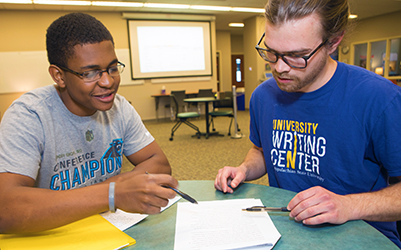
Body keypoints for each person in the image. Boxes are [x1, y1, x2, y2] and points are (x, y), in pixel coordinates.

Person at [214, 0, 401, 247]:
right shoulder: (263, 96)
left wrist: (349, 205)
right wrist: (244, 170)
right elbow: (262, 150)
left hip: (361, 237)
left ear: (333, 42)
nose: (279, 68)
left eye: (296, 56)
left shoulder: (380, 99)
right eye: (271, 52)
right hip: (287, 234)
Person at [0, 13, 178, 234]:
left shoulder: (119, 107)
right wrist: (113, 194)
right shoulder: (28, 115)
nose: (108, 82)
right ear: (59, 76)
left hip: (106, 229)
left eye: (113, 68)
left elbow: (158, 164)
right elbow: (6, 208)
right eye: (89, 73)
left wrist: (102, 194)